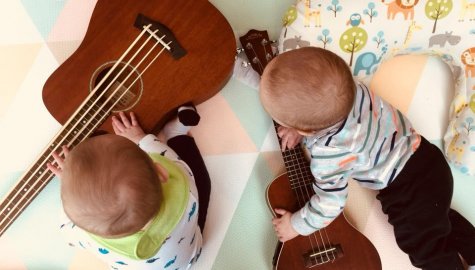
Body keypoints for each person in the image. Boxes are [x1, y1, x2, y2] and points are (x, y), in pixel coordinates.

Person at [259, 46, 475, 269]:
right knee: (437, 219)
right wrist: (300, 128)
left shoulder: (328, 155)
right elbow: (322, 113)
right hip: (427, 160)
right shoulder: (350, 88)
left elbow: (330, 204)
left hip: (404, 191)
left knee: (424, 248)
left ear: (307, 130)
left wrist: (295, 226)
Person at [47, 106, 211, 269]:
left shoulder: (89, 239)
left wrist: (71, 184)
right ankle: (176, 134)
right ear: (160, 172)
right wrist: (139, 138)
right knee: (201, 180)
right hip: (192, 250)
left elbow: (66, 229)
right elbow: (161, 153)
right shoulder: (182, 186)